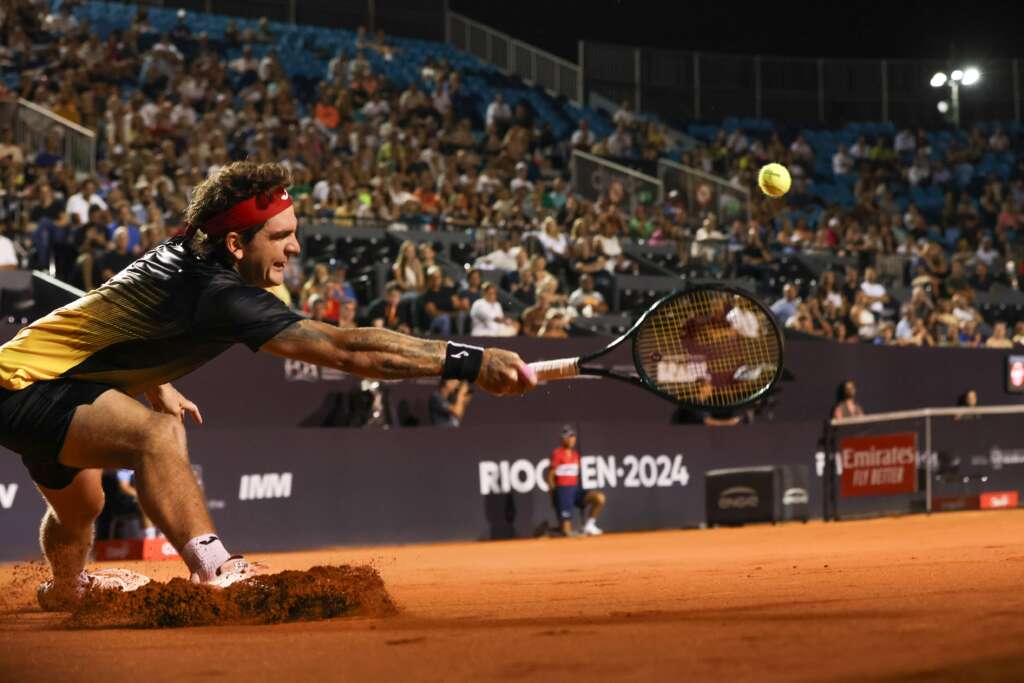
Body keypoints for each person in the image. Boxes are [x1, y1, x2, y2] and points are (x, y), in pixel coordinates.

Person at [0, 162, 536, 610]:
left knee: (82, 507)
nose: (296, 247)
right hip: (25, 385)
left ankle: (66, 588)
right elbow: (350, 350)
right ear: (235, 242)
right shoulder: (220, 293)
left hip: (41, 376)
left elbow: (136, 318)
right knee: (156, 437)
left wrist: (152, 379)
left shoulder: (190, 251)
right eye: (281, 236)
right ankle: (216, 570)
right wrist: (471, 359)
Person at [545, 425, 605, 537]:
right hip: (563, 492)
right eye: (569, 437)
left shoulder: (575, 455)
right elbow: (550, 476)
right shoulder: (557, 454)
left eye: (573, 437)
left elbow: (575, 476)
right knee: (567, 532)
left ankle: (589, 525)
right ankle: (547, 530)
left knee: (599, 498)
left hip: (575, 490)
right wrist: (552, 495)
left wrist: (577, 491)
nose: (572, 439)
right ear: (563, 439)